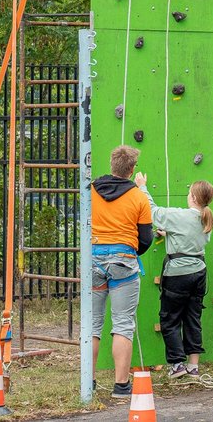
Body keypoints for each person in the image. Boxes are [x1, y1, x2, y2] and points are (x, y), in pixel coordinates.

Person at [135, 174, 213, 380]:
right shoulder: (206, 220)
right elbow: (189, 236)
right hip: (198, 273)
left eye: (189, 193)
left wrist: (142, 187)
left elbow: (152, 211)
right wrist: (169, 233)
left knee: (169, 319)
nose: (188, 195)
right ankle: (193, 366)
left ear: (194, 198)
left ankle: (177, 364)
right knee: (192, 318)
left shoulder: (180, 216)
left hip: (178, 273)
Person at [90, 145, 152, 398]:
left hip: (93, 258)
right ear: (132, 169)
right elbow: (145, 238)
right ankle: (121, 385)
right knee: (123, 324)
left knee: (92, 325)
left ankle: (89, 381)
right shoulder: (138, 197)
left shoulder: (91, 189)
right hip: (124, 262)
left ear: (111, 164)